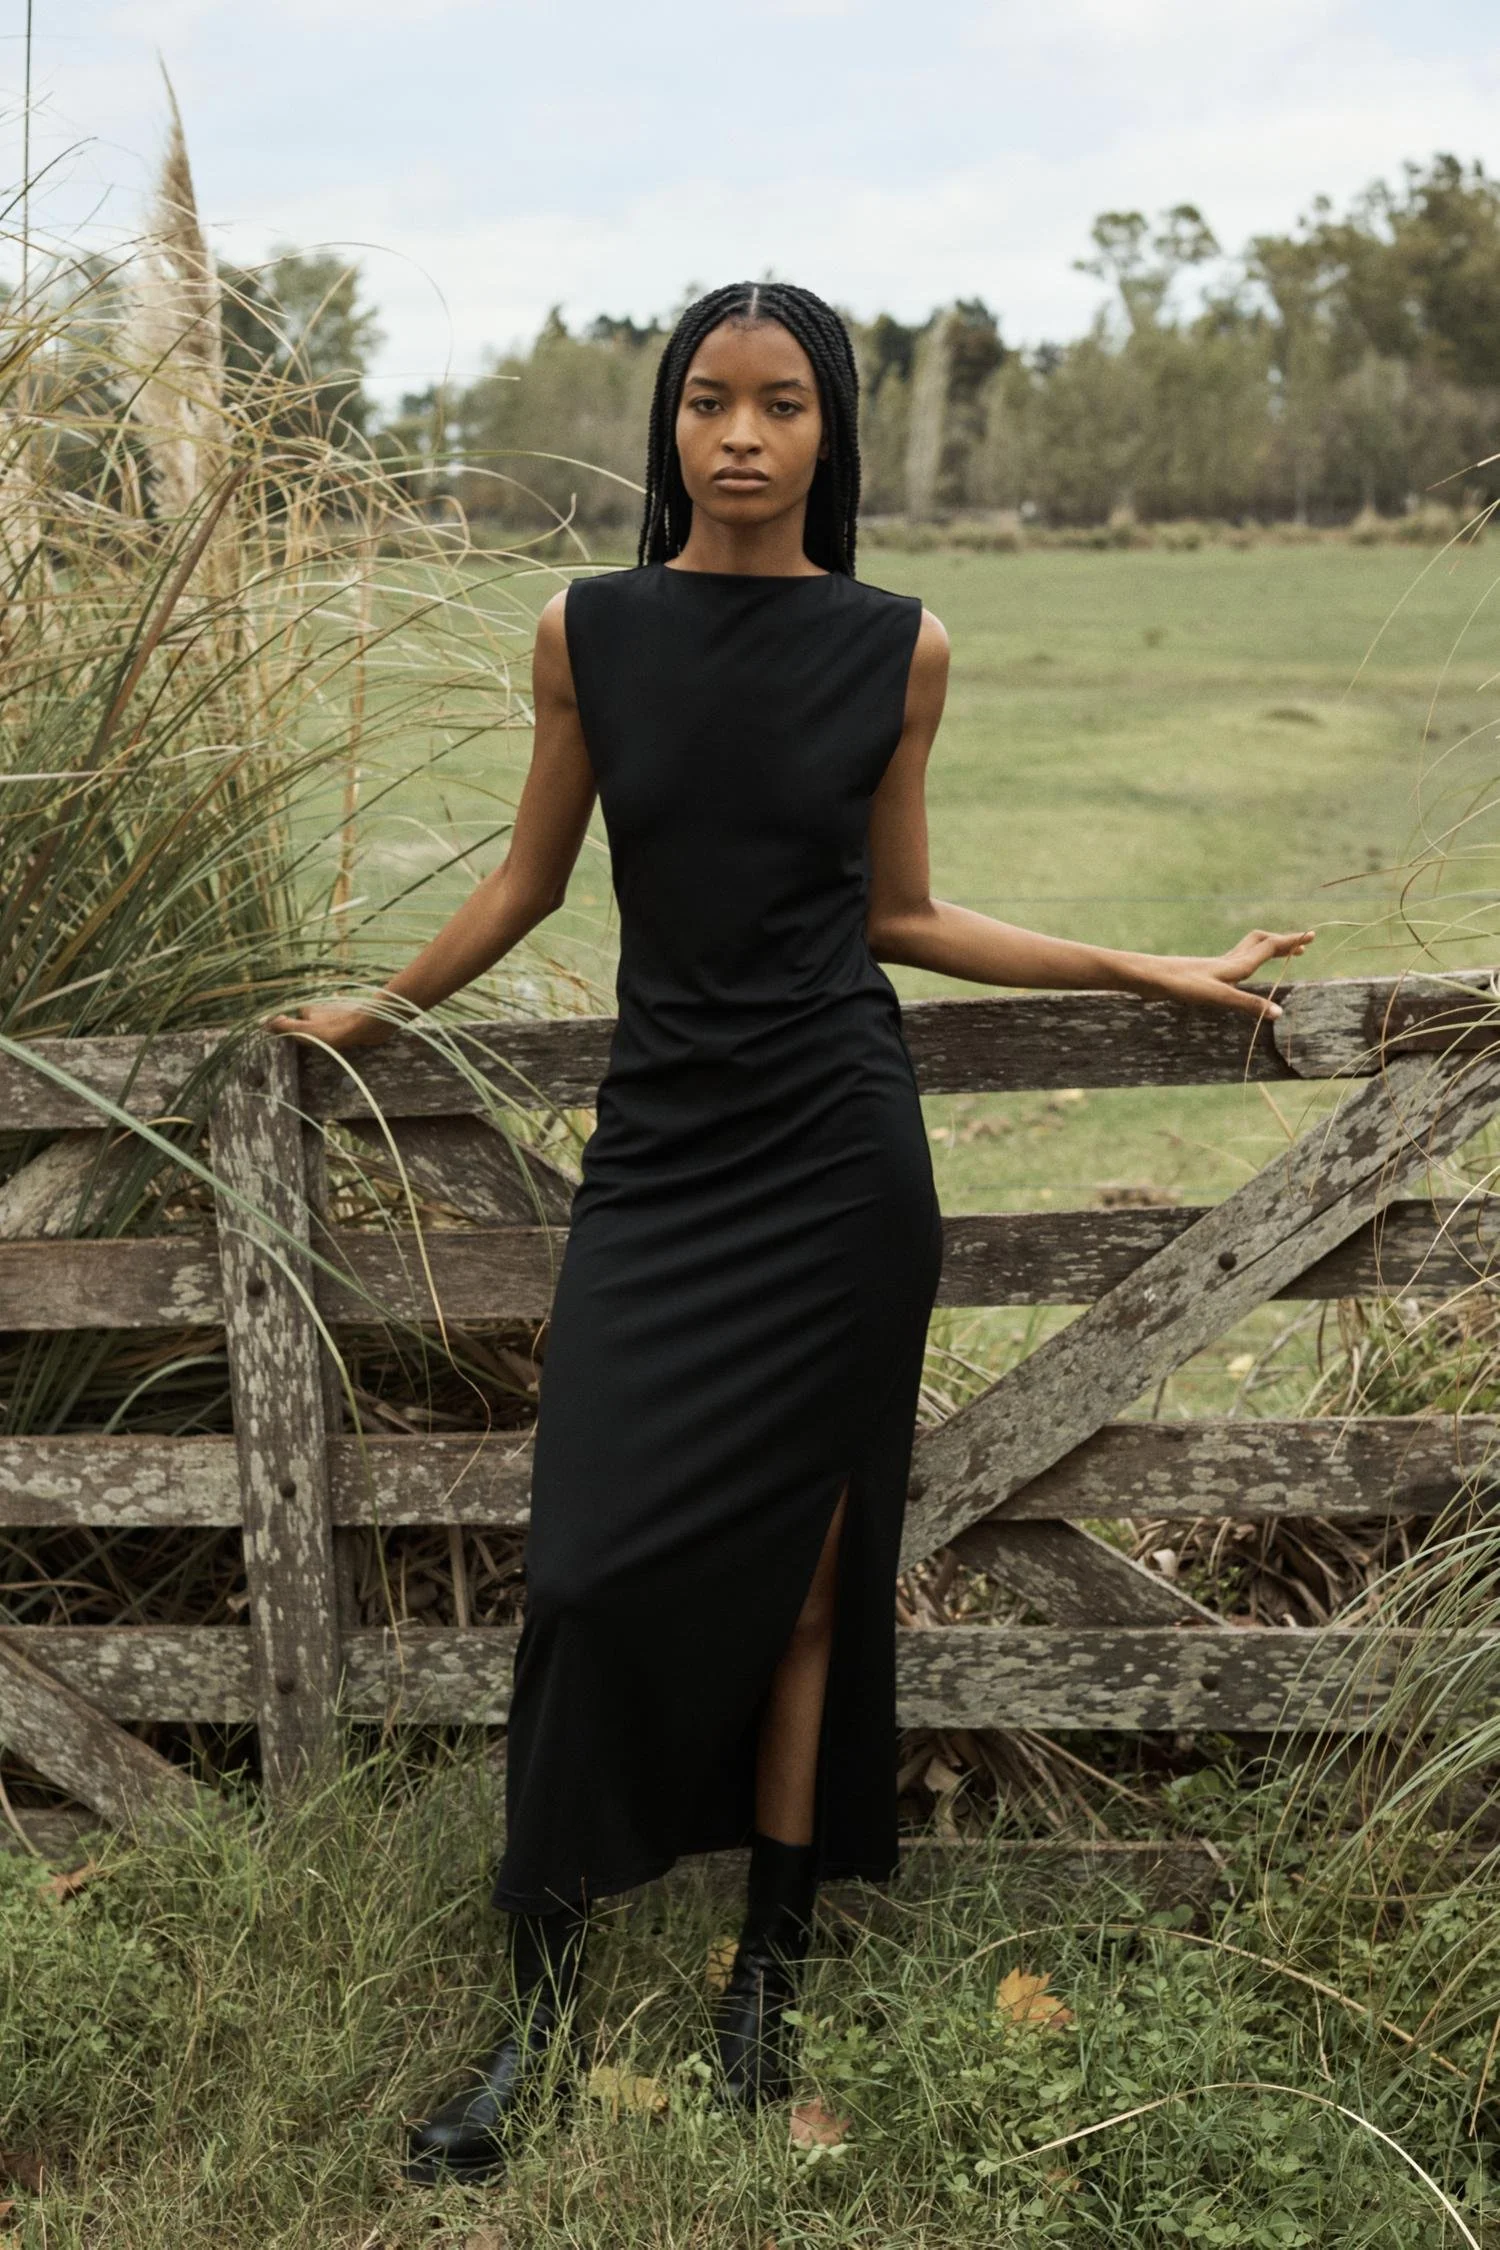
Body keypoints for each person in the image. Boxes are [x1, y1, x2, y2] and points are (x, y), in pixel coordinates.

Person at [269, 280, 1314, 2182]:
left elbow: (901, 914)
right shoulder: (586, 632)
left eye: (779, 407)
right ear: (669, 429)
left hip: (837, 1160)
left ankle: (769, 1977)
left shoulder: (897, 648)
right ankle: (546, 2000)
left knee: (820, 1591)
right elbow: (526, 876)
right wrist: (375, 1007)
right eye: (706, 403)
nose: (740, 436)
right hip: (662, 1164)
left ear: (829, 433)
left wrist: (1148, 968)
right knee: (584, 1569)